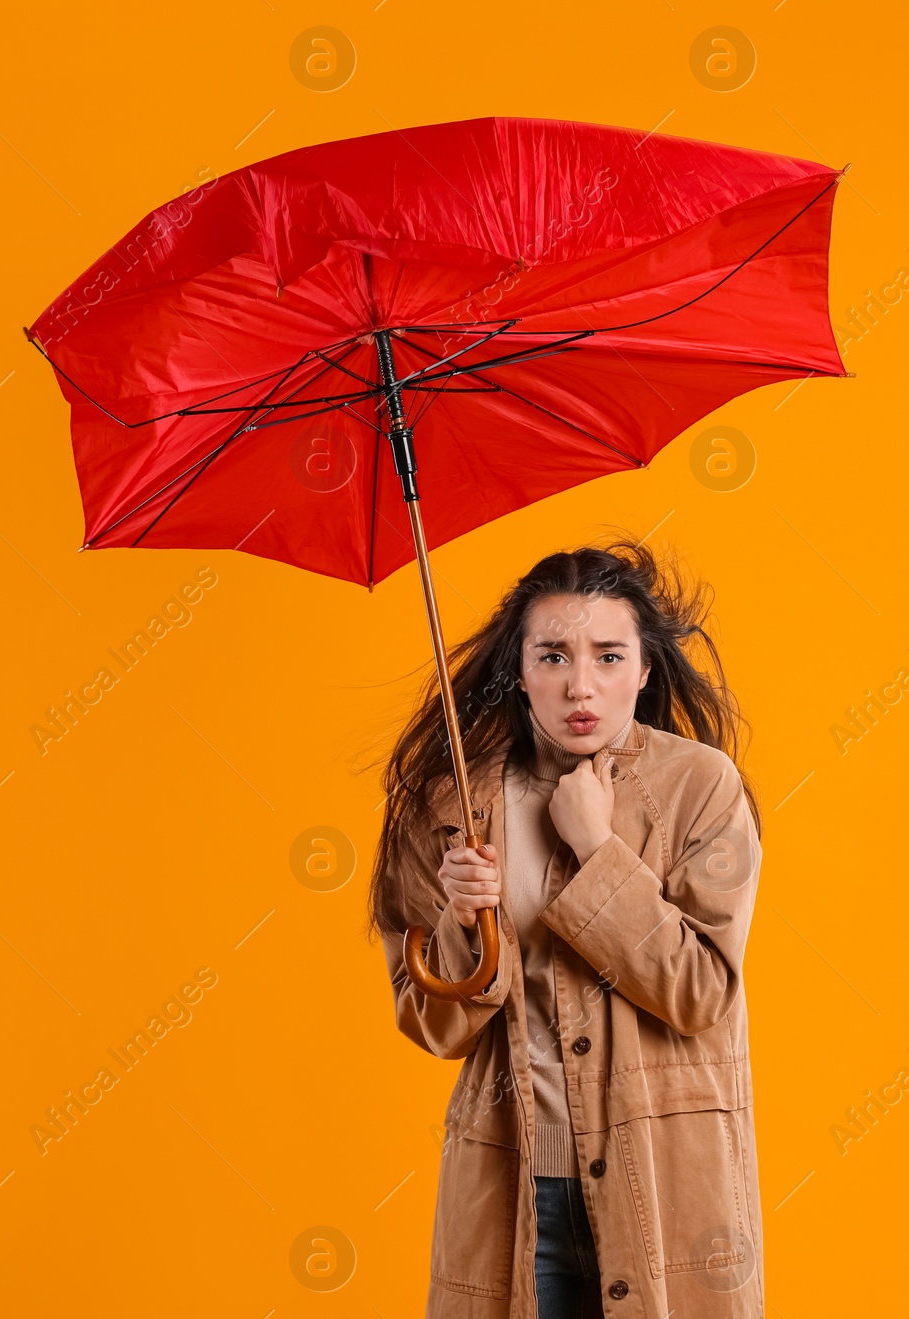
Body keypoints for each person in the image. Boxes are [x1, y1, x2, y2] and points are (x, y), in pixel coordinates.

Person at [370, 541, 766, 1319]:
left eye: (608, 655)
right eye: (553, 655)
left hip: (664, 1179)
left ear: (645, 669)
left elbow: (697, 991)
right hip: (512, 1184)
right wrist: (459, 920)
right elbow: (432, 1023)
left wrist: (597, 850)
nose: (580, 685)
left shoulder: (698, 788)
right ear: (519, 671)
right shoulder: (453, 804)